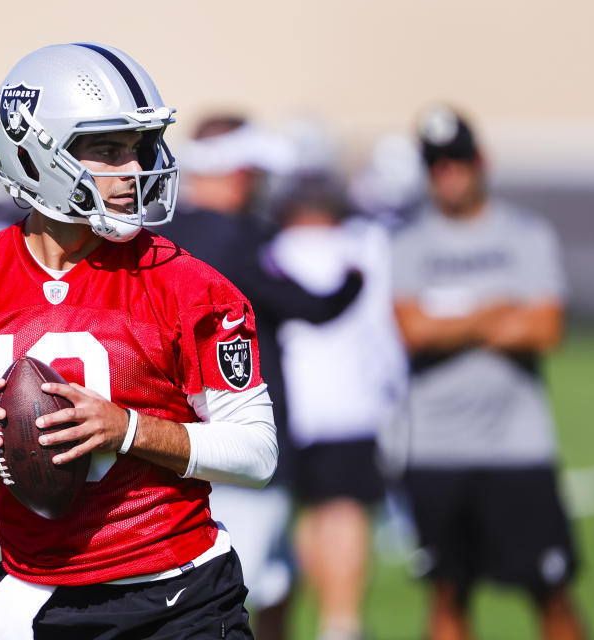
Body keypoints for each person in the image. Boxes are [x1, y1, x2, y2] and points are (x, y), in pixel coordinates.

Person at [0, 43, 278, 639]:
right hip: (35, 594)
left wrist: (128, 429)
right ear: (36, 155)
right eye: (108, 151)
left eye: (138, 151)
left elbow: (257, 453)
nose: (135, 172)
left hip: (181, 594)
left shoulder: (188, 285)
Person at [388, 105, 586, 640]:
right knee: (448, 590)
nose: (447, 174)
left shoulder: (525, 233)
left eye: (456, 160)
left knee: (552, 589)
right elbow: (414, 330)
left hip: (517, 448)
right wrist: (495, 310)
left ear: (481, 160)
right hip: (436, 449)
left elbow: (545, 327)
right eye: (436, 164)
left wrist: (448, 320)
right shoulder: (408, 243)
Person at [162, 117, 363, 640]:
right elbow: (314, 306)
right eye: (248, 172)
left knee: (257, 592)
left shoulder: (157, 237)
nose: (253, 185)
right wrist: (354, 279)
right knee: (232, 601)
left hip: (177, 446)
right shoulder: (233, 236)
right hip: (235, 442)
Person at [267, 177, 407, 640]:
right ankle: (340, 623)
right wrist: (396, 396)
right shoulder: (363, 248)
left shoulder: (271, 249)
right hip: (351, 405)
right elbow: (386, 333)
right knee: (344, 512)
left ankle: (329, 619)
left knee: (308, 513)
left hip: (287, 408)